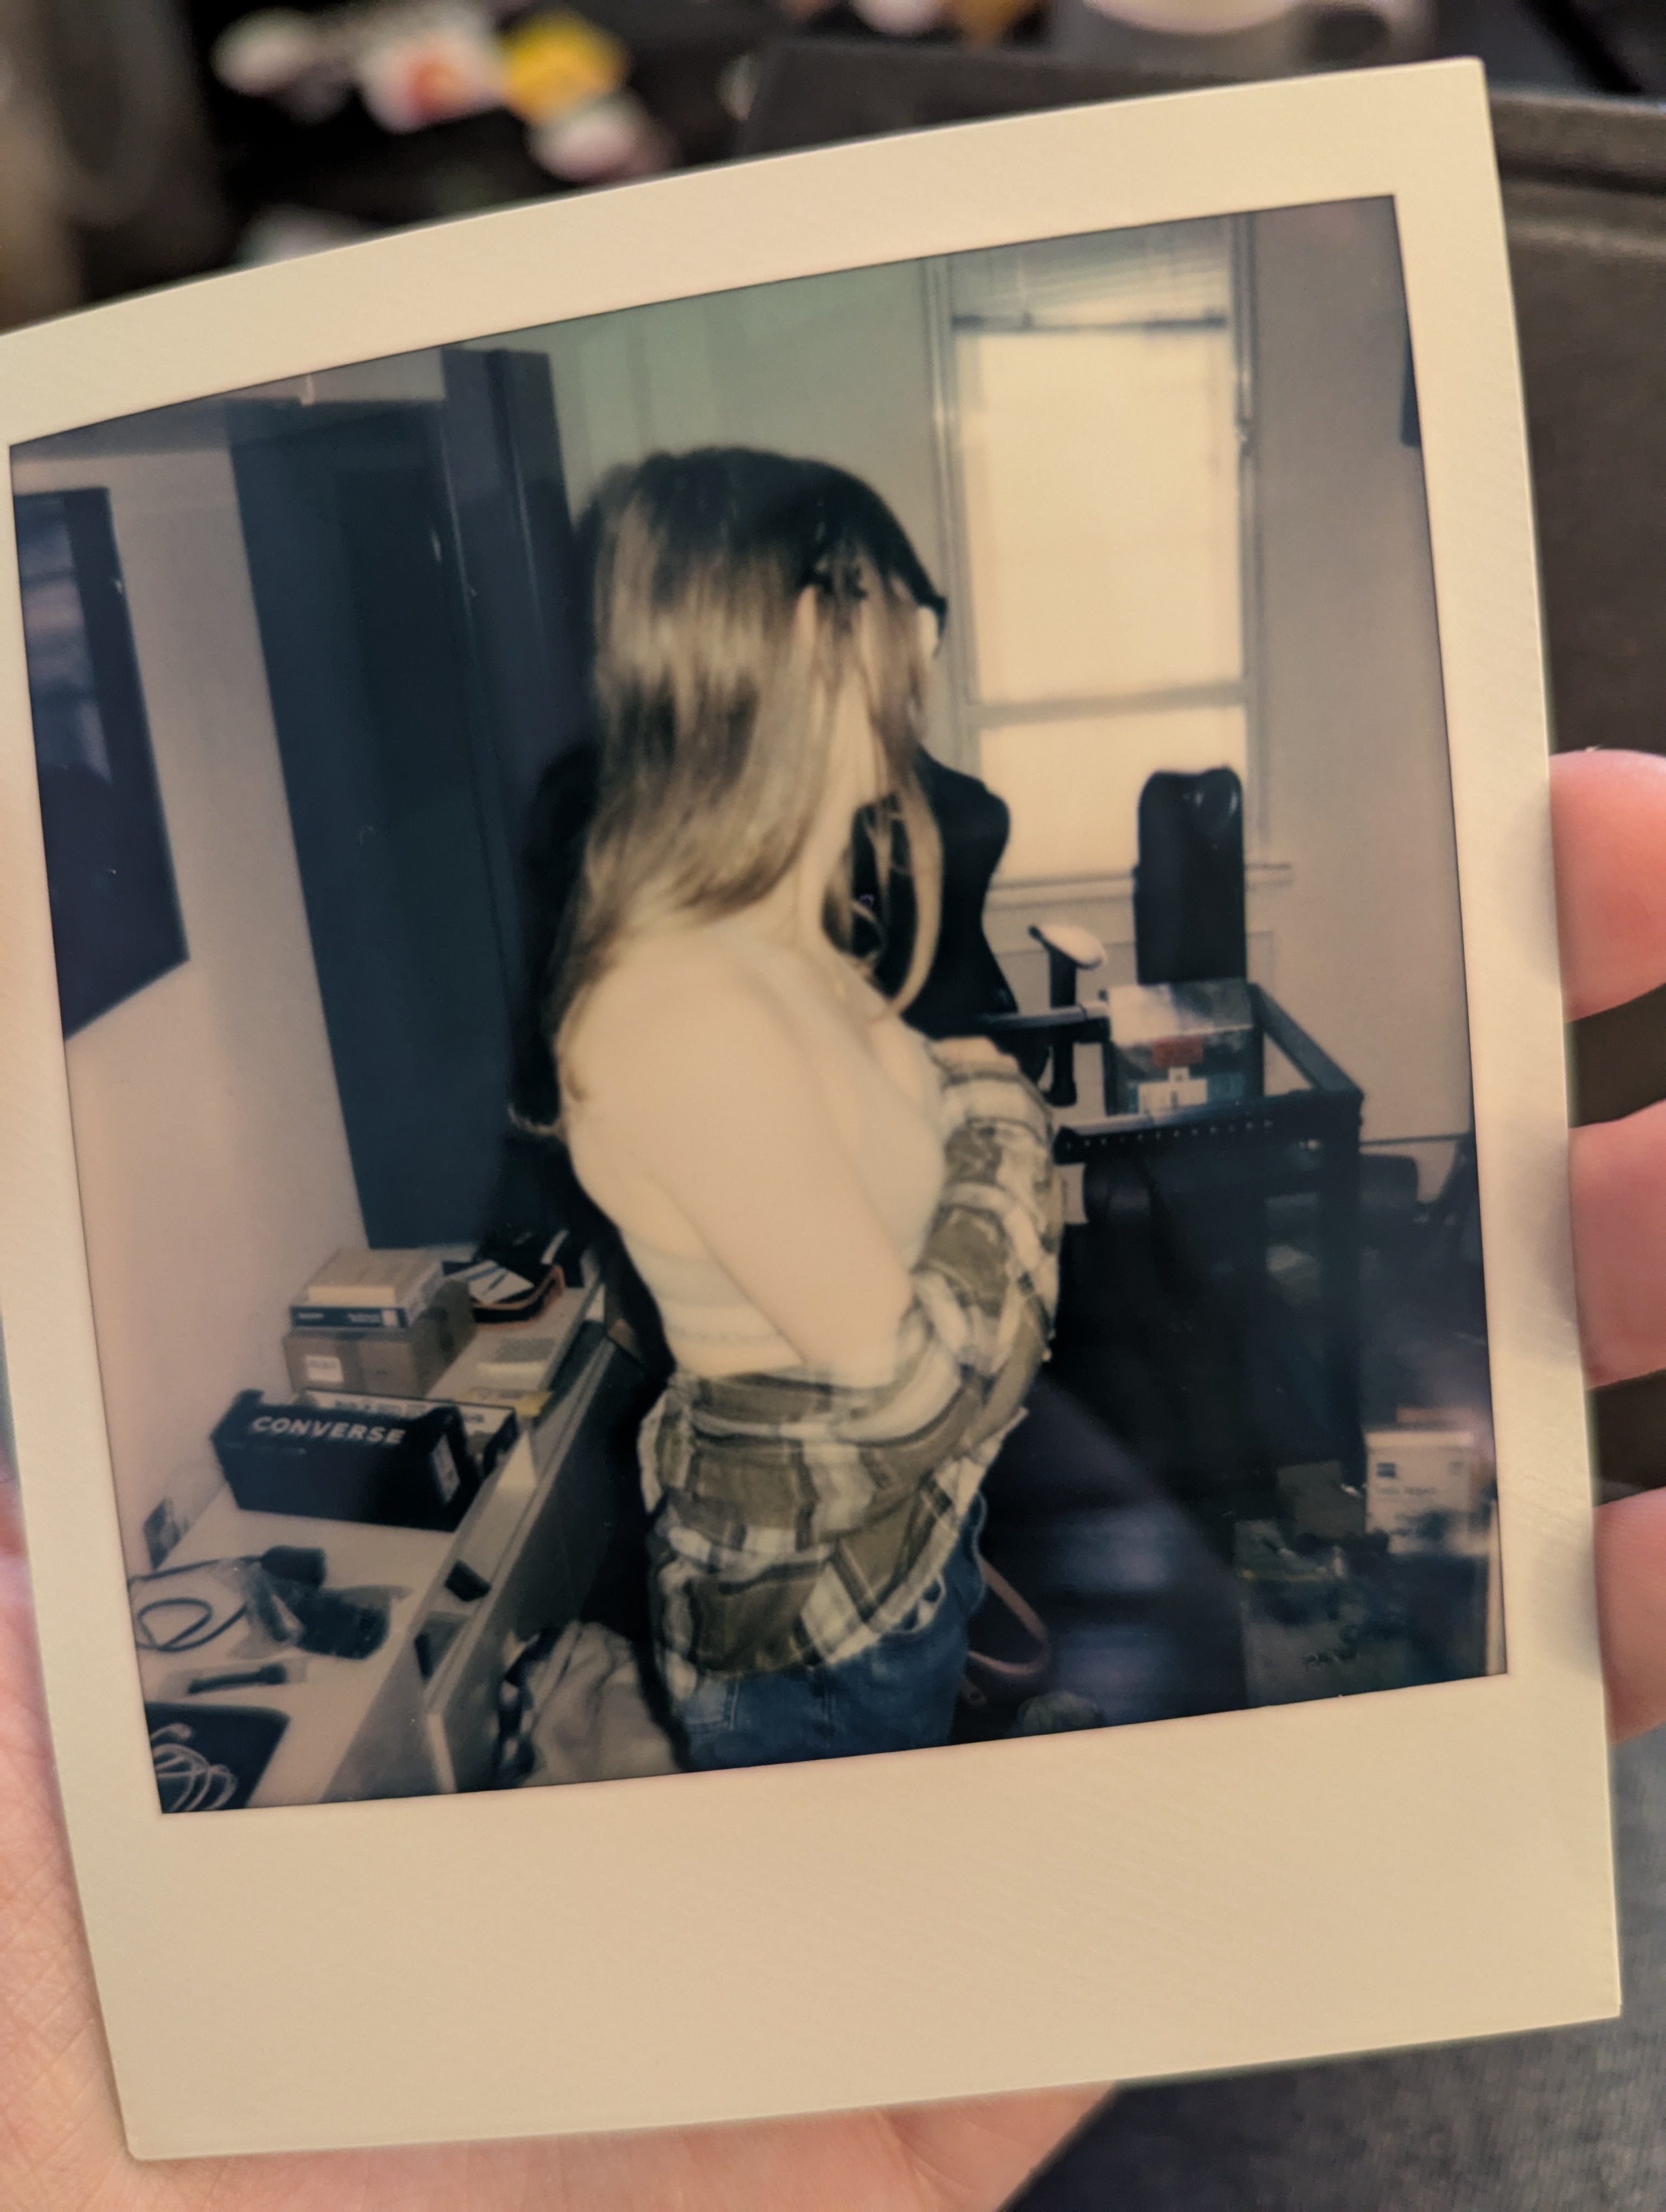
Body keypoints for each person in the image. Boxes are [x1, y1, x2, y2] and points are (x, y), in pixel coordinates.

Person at [5, 750, 1666, 2212]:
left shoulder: (769, 980)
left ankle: (944, 1745)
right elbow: (908, 1356)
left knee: (914, 1663)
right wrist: (969, 1124)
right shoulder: (689, 1046)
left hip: (861, 1529)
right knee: (858, 1751)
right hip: (814, 1561)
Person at [550, 447, 1060, 1770]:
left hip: (896, 1572)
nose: (926, 646)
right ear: (800, 633)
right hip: (815, 1656)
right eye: (906, 609)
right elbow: (917, 1393)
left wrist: (983, 1117)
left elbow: (947, 1144)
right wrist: (1012, 1125)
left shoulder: (783, 928)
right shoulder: (684, 1009)